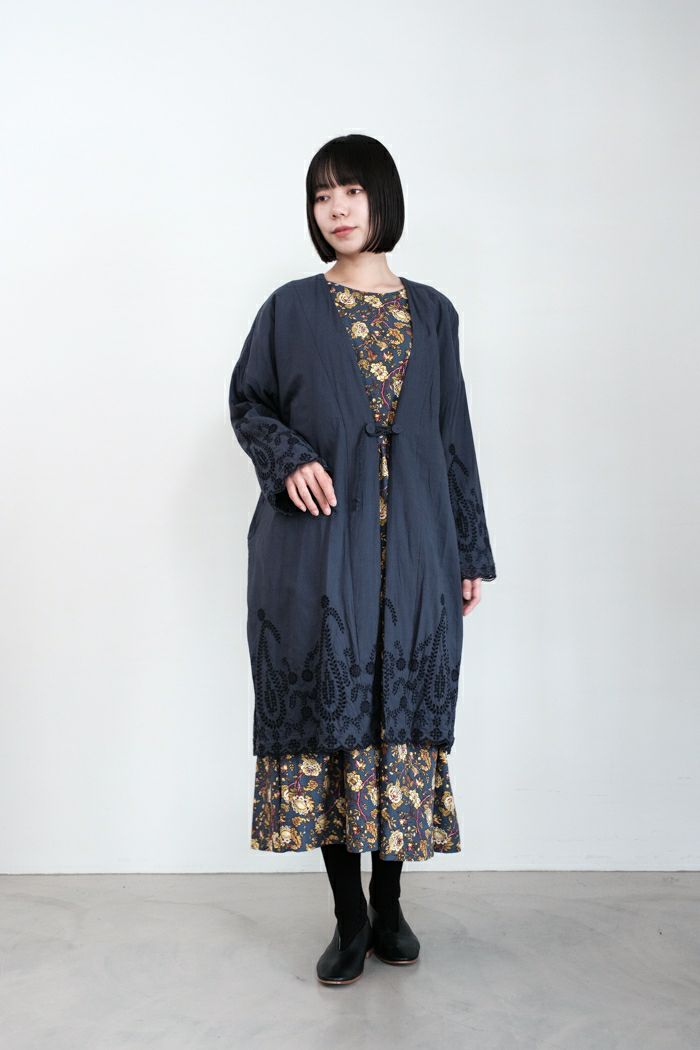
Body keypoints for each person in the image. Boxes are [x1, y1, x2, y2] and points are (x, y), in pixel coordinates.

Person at [229, 133, 497, 986]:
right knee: (335, 724)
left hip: (415, 550)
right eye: (321, 195)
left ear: (382, 198)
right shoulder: (289, 309)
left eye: (350, 191)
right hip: (316, 553)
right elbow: (248, 403)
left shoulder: (436, 313)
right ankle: (349, 917)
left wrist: (470, 550)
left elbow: (453, 437)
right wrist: (289, 459)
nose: (336, 208)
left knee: (399, 720)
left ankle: (390, 904)